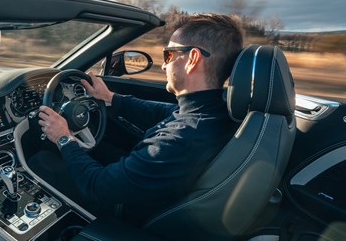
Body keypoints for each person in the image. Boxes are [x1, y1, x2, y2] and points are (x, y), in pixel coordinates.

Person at [36, 13, 244, 225]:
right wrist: (110, 98)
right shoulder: (215, 112)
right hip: (155, 198)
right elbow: (164, 112)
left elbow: (97, 186)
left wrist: (63, 138)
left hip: (124, 215)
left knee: (41, 162)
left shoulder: (181, 139)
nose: (164, 66)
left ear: (192, 59)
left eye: (169, 55)